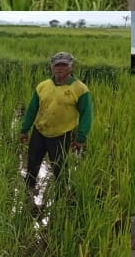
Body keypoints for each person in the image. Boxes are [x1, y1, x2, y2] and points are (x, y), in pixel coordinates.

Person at [19, 51, 93, 193]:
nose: (60, 68)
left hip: (62, 135)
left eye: (64, 65)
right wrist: (24, 129)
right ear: (51, 67)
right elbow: (31, 110)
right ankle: (29, 190)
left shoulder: (80, 89)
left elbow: (86, 115)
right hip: (39, 132)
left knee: (60, 168)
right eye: (56, 65)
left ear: (72, 67)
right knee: (33, 163)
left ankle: (62, 194)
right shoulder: (43, 86)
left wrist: (81, 138)